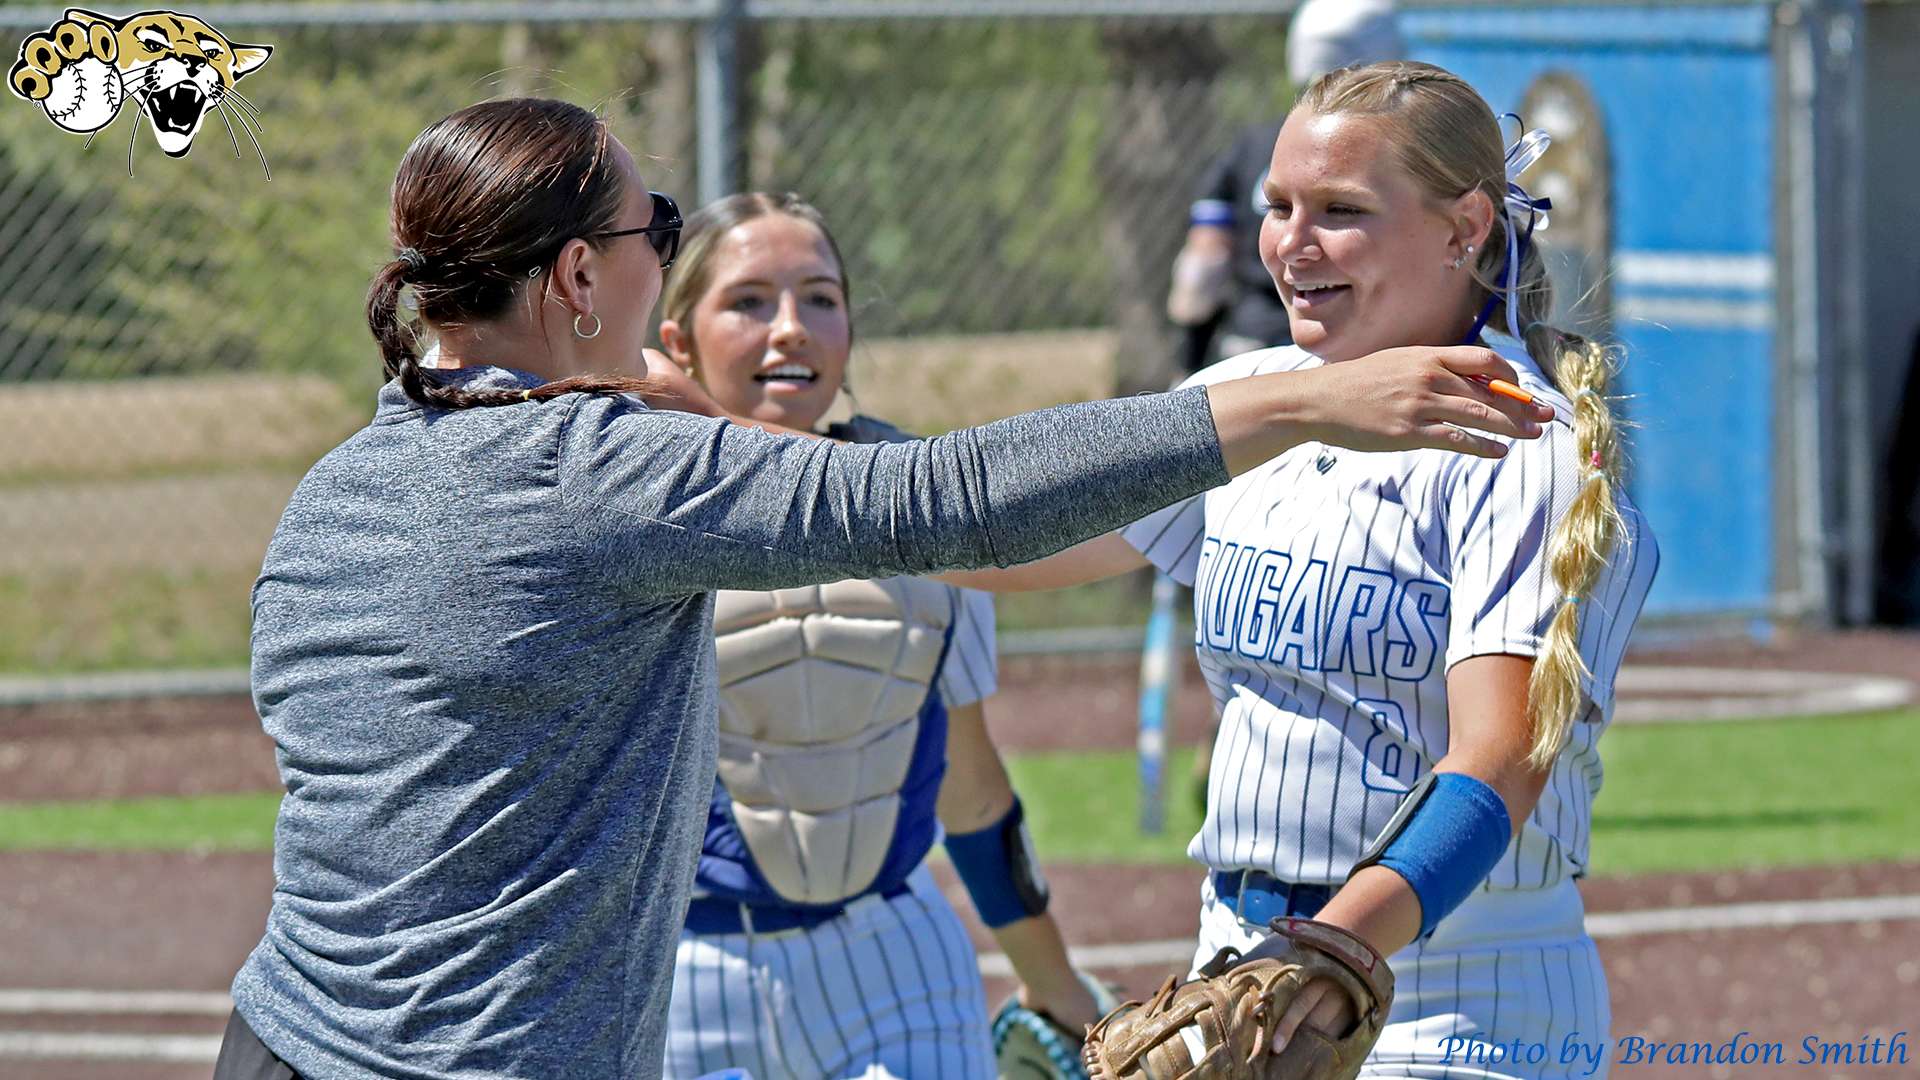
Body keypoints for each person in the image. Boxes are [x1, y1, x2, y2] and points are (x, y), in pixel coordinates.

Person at [213, 97, 1553, 1080]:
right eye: (654, 233)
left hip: (281, 1037)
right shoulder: (603, 470)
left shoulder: (340, 490)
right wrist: (1308, 397)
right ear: (579, 278)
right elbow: (932, 503)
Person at [952, 61, 1660, 1077]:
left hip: (1455, 993)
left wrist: (1336, 950)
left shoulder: (1523, 445)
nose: (1291, 242)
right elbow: (1011, 545)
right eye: (1278, 206)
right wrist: (792, 477)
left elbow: (1499, 757)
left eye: (1342, 209)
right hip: (1244, 972)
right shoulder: (1254, 398)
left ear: (1464, 228)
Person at [638, 191, 1107, 1079]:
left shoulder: (929, 509)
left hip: (890, 955)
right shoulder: (623, 514)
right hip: (679, 970)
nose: (791, 330)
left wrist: (1062, 993)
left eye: (820, 298)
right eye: (747, 302)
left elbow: (971, 794)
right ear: (678, 339)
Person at [1167, 0, 1404, 371]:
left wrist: (1188, 365)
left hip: (1249, 345)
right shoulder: (1399, 149)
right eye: (1280, 208)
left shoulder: (1253, 146)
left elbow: (1202, 269)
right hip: (1360, 345)